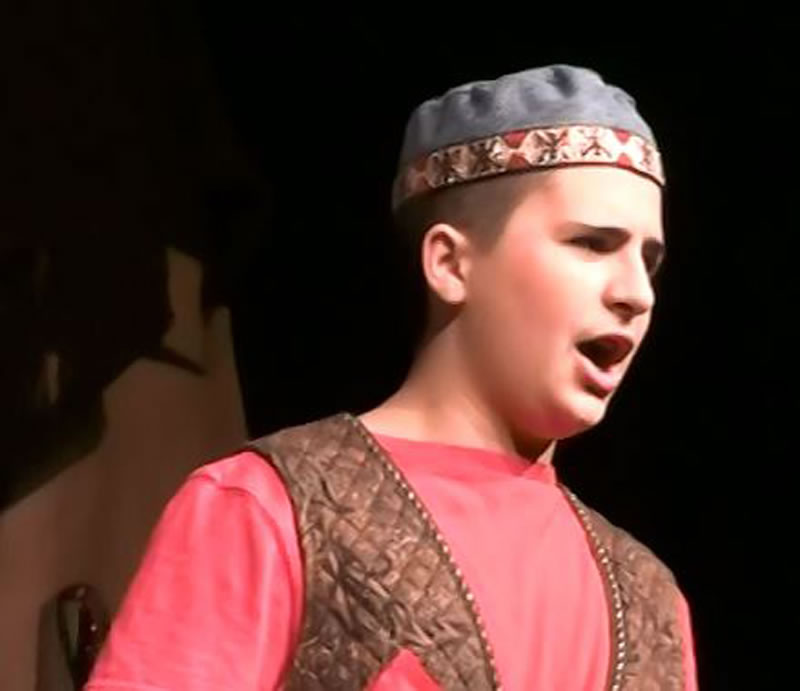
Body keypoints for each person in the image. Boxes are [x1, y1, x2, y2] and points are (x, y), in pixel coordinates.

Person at [86, 64, 698, 690]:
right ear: (449, 263)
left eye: (649, 261)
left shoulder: (650, 602)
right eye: (591, 243)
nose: (637, 293)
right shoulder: (271, 509)